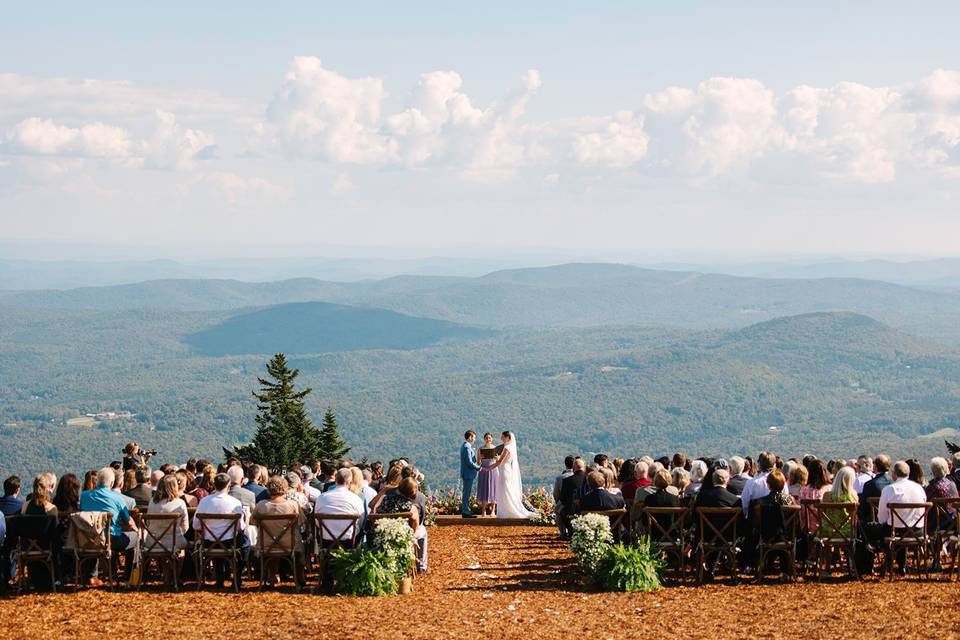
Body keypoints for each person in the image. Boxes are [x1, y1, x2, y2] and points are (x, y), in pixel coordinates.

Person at [79, 467, 138, 586]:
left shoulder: (84, 496)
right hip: (112, 541)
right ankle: (129, 575)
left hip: (88, 540)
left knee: (97, 538)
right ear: (111, 483)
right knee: (137, 537)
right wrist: (137, 530)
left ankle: (91, 576)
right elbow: (128, 521)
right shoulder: (117, 498)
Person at [871, 460, 928, 573]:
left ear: (894, 473)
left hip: (894, 531)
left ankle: (882, 563)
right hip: (918, 531)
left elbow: (881, 517)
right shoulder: (919, 488)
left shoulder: (889, 489)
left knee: (872, 529)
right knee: (898, 526)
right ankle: (901, 565)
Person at [193, 473, 248, 588]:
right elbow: (240, 527)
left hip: (208, 542)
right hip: (229, 543)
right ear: (229, 485)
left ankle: (220, 577)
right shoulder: (235, 502)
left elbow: (196, 525)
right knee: (246, 543)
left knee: (217, 539)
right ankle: (237, 577)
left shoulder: (204, 501)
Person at [252, 475, 306, 586]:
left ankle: (271, 575)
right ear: (285, 488)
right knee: (301, 547)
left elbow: (252, 522)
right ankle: (299, 577)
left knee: (273, 540)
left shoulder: (261, 506)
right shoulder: (293, 505)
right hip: (290, 544)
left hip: (266, 544)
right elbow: (302, 521)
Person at [378, 477, 429, 573]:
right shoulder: (411, 507)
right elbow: (416, 525)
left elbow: (377, 512)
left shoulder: (385, 501)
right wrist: (412, 536)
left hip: (384, 534)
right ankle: (422, 566)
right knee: (423, 531)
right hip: (403, 536)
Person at [492, 431, 538, 519]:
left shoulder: (506, 448)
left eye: (503, 436)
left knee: (505, 491)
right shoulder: (510, 448)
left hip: (504, 470)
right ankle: (507, 509)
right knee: (506, 490)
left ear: (508, 437)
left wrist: (494, 461)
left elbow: (500, 461)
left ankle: (508, 510)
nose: (501, 438)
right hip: (506, 470)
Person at [313, 468, 365, 544]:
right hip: (349, 541)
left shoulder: (322, 497)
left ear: (335, 480)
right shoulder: (356, 499)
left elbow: (317, 521)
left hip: (326, 540)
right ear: (350, 482)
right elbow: (360, 521)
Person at [146, 474, 189, 552]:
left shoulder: (152, 502)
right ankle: (178, 563)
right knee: (185, 546)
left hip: (152, 542)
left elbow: (148, 523)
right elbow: (185, 527)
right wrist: (177, 533)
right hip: (174, 542)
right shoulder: (180, 503)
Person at [741, 452, 786, 516]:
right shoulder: (782, 482)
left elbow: (745, 506)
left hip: (757, 524)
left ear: (759, 464)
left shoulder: (751, 483)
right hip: (780, 521)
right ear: (774, 464)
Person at [818, 466, 858, 539]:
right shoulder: (853, 496)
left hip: (828, 531)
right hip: (848, 532)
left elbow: (823, 515)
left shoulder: (827, 495)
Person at [799, 458, 831, 535]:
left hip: (808, 528)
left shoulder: (804, 490)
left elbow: (801, 512)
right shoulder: (830, 489)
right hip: (828, 527)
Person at [859, 454, 892, 524]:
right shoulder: (893, 483)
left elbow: (863, 508)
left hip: (873, 524)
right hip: (892, 522)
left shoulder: (869, 484)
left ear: (875, 467)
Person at [476, 432, 499, 517]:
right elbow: (478, 462)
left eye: (489, 438)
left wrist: (497, 458)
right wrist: (480, 458)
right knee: (483, 489)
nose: (488, 439)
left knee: (493, 489)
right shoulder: (480, 449)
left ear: (492, 439)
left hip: (493, 470)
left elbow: (498, 462)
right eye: (486, 438)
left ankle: (493, 511)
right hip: (484, 470)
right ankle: (483, 511)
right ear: (484, 439)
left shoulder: (496, 449)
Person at [459, 430, 481, 518]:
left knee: (466, 492)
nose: (474, 439)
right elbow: (469, 462)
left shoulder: (465, 446)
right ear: (470, 437)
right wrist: (478, 467)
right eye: (474, 437)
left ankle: (466, 510)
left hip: (467, 473)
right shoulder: (467, 447)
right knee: (466, 493)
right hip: (468, 473)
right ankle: (465, 511)